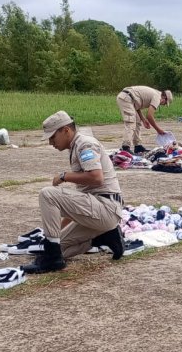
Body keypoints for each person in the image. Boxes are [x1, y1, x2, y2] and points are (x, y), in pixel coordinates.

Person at [22, 111, 127, 274]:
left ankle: (53, 260)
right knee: (57, 249)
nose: (50, 142)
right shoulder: (76, 146)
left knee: (47, 194)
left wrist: (64, 176)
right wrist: (56, 235)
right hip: (98, 212)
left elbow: (97, 178)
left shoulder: (85, 145)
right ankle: (104, 237)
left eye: (52, 137)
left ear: (66, 130)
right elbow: (77, 207)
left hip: (105, 207)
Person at [116, 86, 173, 154]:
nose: (163, 105)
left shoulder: (156, 94)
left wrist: (143, 119)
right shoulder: (157, 98)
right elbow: (149, 116)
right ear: (164, 97)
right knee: (131, 122)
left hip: (129, 98)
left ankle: (138, 146)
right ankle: (125, 147)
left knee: (137, 121)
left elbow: (137, 106)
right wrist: (158, 130)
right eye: (165, 103)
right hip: (126, 98)